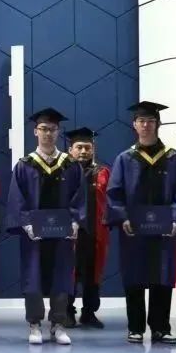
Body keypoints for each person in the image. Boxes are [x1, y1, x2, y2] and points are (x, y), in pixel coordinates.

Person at [106, 101, 176, 345]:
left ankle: (160, 328)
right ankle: (135, 327)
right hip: (134, 230)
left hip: (165, 229)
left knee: (162, 276)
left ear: (158, 124)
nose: (146, 125)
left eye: (150, 121)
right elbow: (114, 192)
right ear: (134, 125)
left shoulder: (172, 158)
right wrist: (122, 217)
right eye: (141, 121)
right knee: (134, 277)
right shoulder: (125, 159)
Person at [6, 108, 84, 346]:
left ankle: (58, 324)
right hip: (34, 235)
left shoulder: (70, 165)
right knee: (33, 277)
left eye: (52, 129)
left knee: (61, 276)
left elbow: (79, 197)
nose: (48, 134)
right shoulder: (24, 165)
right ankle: (35, 323)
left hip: (61, 234)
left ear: (58, 132)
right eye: (43, 129)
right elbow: (17, 199)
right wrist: (27, 224)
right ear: (35, 132)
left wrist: (75, 221)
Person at [63, 127, 110, 329]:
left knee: (93, 273)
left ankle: (89, 313)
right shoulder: (63, 171)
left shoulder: (102, 172)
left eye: (87, 148)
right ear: (70, 150)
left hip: (96, 232)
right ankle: (67, 312)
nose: (83, 151)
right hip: (70, 232)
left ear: (93, 149)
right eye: (79, 147)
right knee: (69, 272)